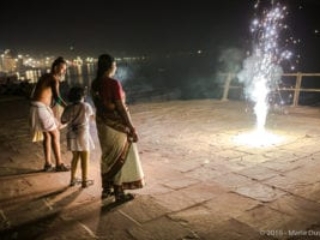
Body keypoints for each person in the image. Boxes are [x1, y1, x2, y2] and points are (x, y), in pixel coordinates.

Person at [91, 53, 145, 202]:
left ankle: (106, 189)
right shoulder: (113, 83)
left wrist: (110, 105)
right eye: (115, 65)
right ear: (110, 66)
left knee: (108, 155)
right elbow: (120, 108)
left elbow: (100, 105)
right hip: (116, 125)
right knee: (119, 156)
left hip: (102, 124)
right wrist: (131, 127)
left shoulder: (94, 83)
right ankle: (119, 193)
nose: (116, 68)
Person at [29, 56, 70, 172]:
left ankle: (48, 164)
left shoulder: (45, 76)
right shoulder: (54, 79)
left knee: (47, 136)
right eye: (62, 68)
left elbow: (41, 94)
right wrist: (68, 107)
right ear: (55, 67)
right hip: (40, 108)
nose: (64, 71)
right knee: (55, 134)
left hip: (36, 108)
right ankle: (59, 164)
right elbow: (57, 98)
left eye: (65, 69)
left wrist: (49, 108)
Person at [61, 86, 95, 188]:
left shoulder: (68, 107)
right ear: (82, 96)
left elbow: (63, 120)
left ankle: (72, 180)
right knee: (85, 158)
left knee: (75, 157)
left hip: (71, 135)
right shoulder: (86, 106)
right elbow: (92, 117)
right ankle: (84, 181)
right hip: (83, 135)